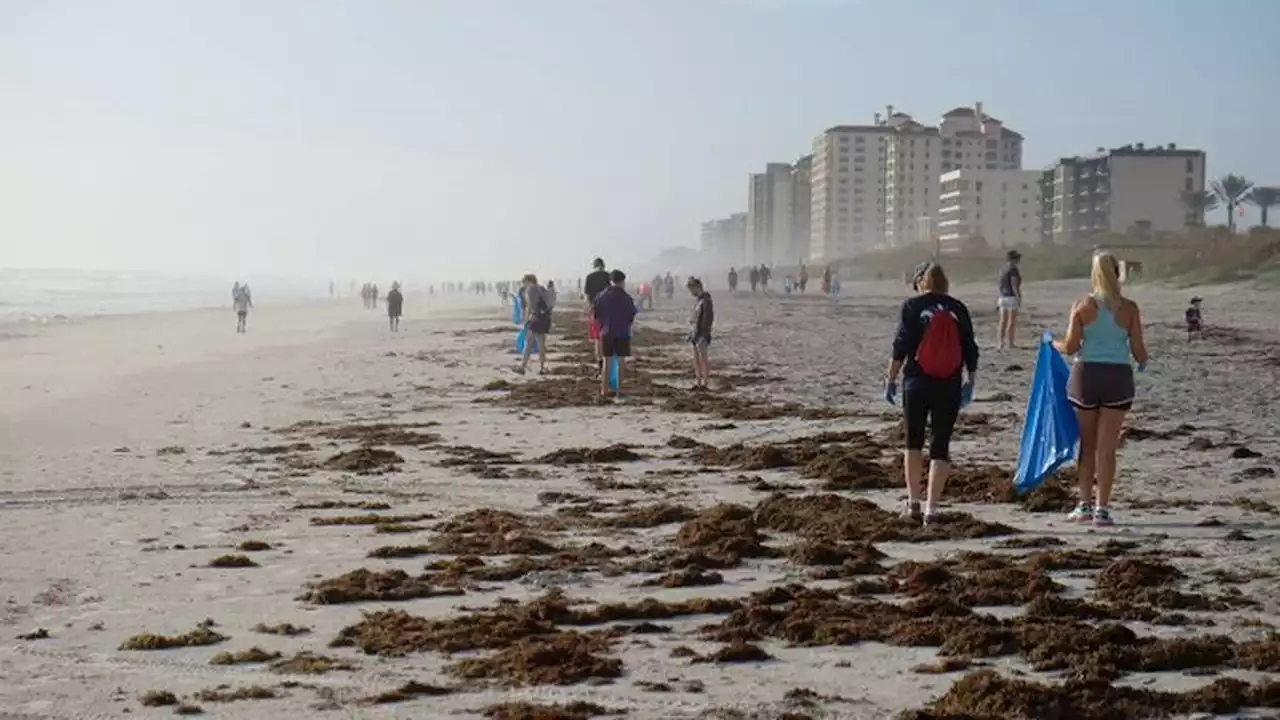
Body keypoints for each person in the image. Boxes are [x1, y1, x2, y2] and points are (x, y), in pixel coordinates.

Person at [1053, 251, 1148, 528]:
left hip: (1087, 376)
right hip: (1117, 377)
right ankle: (1102, 509)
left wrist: (1052, 344)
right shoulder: (1130, 308)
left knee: (1088, 444)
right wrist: (1143, 360)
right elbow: (1139, 352)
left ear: (1093, 274)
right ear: (1117, 273)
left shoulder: (1082, 306)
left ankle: (1083, 505)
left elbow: (1070, 347)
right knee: (1107, 448)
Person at [884, 263, 979, 525]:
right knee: (940, 446)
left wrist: (891, 378)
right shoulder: (958, 308)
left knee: (913, 442)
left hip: (916, 382)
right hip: (948, 384)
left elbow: (900, 344)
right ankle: (932, 510)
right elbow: (970, 347)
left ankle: (913, 503)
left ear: (920, 282)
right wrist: (970, 381)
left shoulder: (912, 307)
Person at [592, 270, 637, 398]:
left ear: (610, 281)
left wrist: (602, 326)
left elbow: (595, 316)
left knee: (607, 362)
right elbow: (631, 315)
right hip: (622, 331)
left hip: (607, 331)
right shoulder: (626, 298)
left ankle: (604, 390)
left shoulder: (601, 296)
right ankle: (618, 390)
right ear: (623, 282)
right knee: (621, 361)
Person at [517, 274, 552, 375]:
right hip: (546, 318)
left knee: (529, 344)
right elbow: (550, 304)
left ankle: (523, 367)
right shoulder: (542, 289)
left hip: (536, 319)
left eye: (524, 282)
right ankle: (542, 367)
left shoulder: (530, 290)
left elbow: (531, 307)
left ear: (528, 281)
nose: (524, 285)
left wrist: (527, 319)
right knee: (541, 344)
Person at [583, 258, 612, 367]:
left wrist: (589, 309)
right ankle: (607, 362)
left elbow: (587, 297)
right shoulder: (608, 276)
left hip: (595, 310)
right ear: (603, 265)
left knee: (597, 339)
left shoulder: (589, 277)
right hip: (608, 310)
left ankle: (600, 363)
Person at [686, 277, 714, 390]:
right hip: (695, 332)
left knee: (703, 358)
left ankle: (705, 381)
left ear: (696, 287)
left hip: (701, 333)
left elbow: (708, 318)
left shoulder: (706, 300)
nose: (691, 292)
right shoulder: (699, 300)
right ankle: (698, 380)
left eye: (691, 289)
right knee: (697, 359)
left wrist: (704, 333)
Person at [997, 250, 1023, 350]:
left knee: (1002, 321)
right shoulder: (1013, 270)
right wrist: (1019, 297)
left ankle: (1000, 343)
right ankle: (1010, 343)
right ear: (1014, 259)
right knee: (1011, 321)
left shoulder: (1003, 269)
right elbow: (1014, 285)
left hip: (1002, 296)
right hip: (1011, 297)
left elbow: (1000, 284)